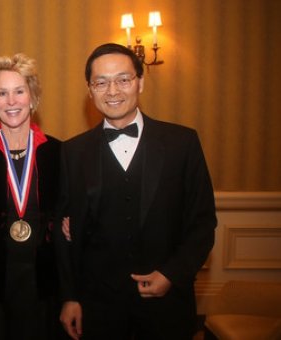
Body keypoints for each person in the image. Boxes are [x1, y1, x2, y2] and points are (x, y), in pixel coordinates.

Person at [58, 43, 218, 340]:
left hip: (166, 308)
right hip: (98, 309)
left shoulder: (182, 144)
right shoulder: (72, 152)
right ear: (90, 90)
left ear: (140, 82)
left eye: (123, 79)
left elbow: (203, 223)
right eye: (101, 82)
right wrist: (70, 297)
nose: (113, 91)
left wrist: (171, 274)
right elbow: (65, 236)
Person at [0, 53, 66, 339]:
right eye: (2, 93)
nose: (11, 101)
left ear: (32, 97)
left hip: (46, 281)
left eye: (19, 91)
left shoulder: (59, 153)